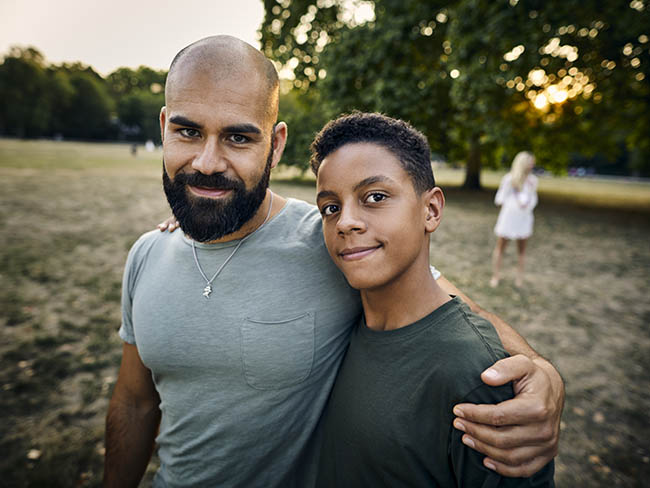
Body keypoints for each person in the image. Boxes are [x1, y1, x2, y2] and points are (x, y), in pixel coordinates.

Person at [104, 36, 563, 488]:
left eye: (238, 137)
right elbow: (134, 402)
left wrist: (542, 372)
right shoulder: (146, 255)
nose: (207, 163)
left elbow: (446, 309)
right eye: (187, 132)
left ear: (275, 145)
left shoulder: (329, 243)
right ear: (163, 126)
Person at [311, 113, 554, 487]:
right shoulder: (339, 321)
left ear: (431, 210)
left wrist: (544, 369)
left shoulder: (476, 373)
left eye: (375, 197)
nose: (345, 222)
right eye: (330, 207)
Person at [491, 152, 538, 288]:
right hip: (508, 219)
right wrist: (512, 191)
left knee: (521, 250)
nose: (532, 166)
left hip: (524, 219)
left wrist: (527, 204)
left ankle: (519, 278)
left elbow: (534, 199)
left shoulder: (533, 181)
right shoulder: (508, 179)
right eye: (530, 163)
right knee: (500, 247)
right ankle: (496, 276)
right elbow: (499, 199)